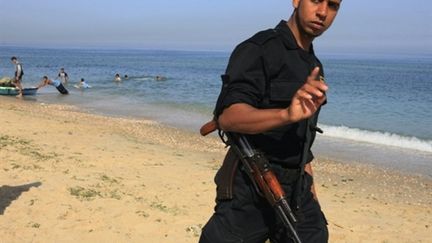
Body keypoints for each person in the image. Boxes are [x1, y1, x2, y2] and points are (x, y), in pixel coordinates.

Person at [199, 0, 341, 242]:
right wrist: (286, 114)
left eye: (333, 5)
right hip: (250, 183)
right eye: (316, 0)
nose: (323, 12)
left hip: (298, 190)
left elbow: (303, 142)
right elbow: (228, 117)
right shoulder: (259, 48)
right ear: (296, 1)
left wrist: (312, 194)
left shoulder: (314, 66)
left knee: (317, 234)